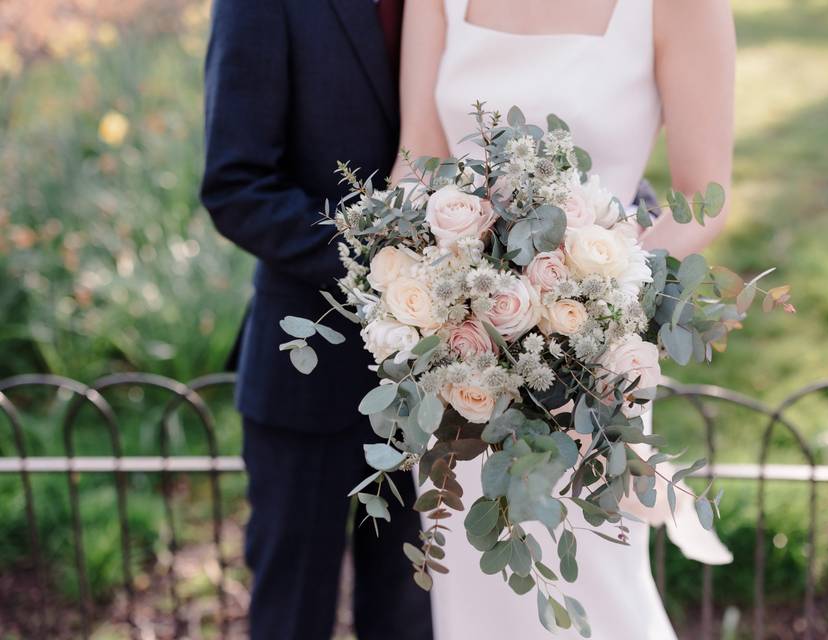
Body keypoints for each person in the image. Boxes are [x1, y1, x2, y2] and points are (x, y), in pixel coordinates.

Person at [393, 0, 736, 637]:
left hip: (592, 365)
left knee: (593, 593)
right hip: (462, 361)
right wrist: (407, 285)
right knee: (475, 598)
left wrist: (589, 299)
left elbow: (702, 198)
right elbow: (418, 162)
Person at [200, 0, 432, 638]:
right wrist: (384, 261)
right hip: (305, 375)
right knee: (292, 615)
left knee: (411, 619)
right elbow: (235, 185)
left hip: (440, 384)